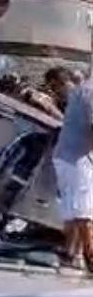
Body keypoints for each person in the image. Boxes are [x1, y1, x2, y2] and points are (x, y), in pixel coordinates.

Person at [53, 76, 93, 273]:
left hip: (70, 155)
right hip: (76, 158)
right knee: (83, 210)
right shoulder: (90, 91)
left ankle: (72, 254)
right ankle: (89, 255)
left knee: (74, 209)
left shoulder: (83, 88)